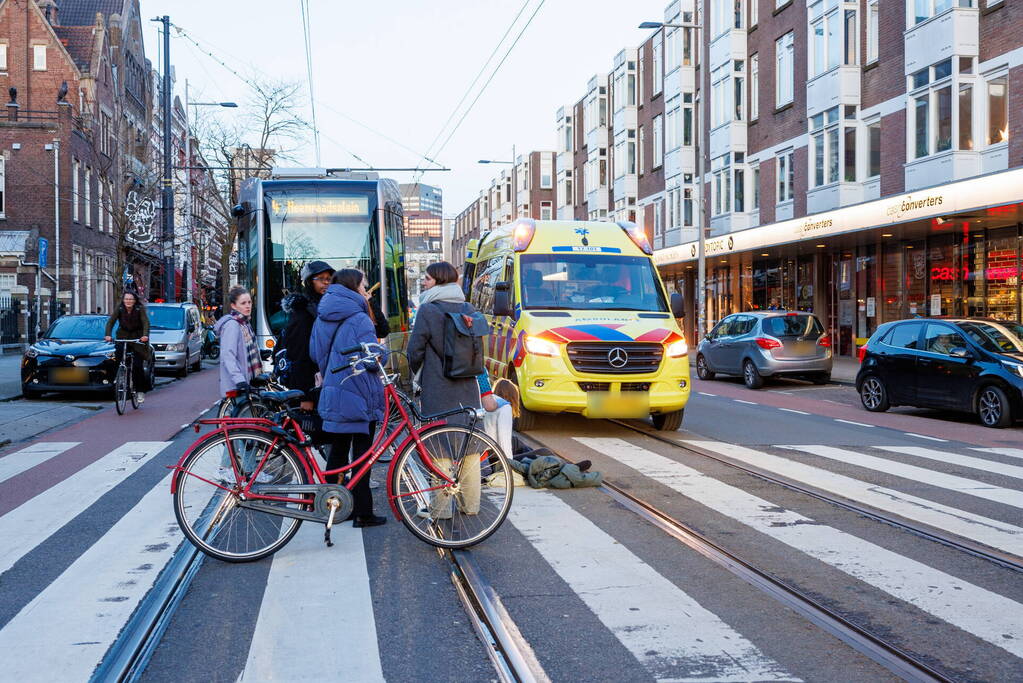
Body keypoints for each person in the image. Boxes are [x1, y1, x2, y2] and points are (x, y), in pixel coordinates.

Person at [408, 261, 485, 519]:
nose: (424, 283)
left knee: (438, 441)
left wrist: (415, 375)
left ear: (439, 281)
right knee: (469, 442)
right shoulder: (468, 308)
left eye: (427, 279)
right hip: (467, 384)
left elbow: (415, 349)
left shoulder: (428, 310)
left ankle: (441, 509)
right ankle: (471, 505)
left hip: (437, 385)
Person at [311, 268, 387, 528]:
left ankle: (331, 506)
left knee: (339, 452)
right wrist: (383, 355)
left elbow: (316, 352)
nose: (366, 290)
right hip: (359, 391)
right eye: (364, 285)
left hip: (335, 387)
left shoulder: (324, 312)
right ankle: (363, 512)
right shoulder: (360, 317)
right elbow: (372, 358)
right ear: (354, 288)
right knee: (362, 455)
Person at [214, 286, 270, 482]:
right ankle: (226, 468)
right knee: (243, 428)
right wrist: (239, 380)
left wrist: (259, 357)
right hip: (238, 384)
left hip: (246, 381)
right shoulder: (233, 325)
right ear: (233, 305)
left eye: (249, 303)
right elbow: (228, 356)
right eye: (243, 303)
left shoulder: (244, 323)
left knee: (246, 427)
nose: (248, 306)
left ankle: (248, 469)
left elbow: (244, 352)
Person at [279, 260, 335, 411]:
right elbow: (299, 356)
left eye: (329, 279)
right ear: (310, 282)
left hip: (323, 383)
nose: (326, 283)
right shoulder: (303, 312)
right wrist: (305, 396)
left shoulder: (325, 307)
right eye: (321, 279)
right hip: (311, 387)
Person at [104, 290, 152, 403]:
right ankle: (116, 379)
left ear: (134, 301)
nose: (128, 301)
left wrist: (145, 335)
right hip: (123, 336)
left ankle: (140, 391)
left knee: (137, 366)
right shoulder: (120, 309)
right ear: (123, 300)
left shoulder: (139, 309)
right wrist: (108, 334)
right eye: (126, 299)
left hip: (137, 338)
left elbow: (146, 323)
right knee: (116, 358)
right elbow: (111, 322)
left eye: (131, 299)